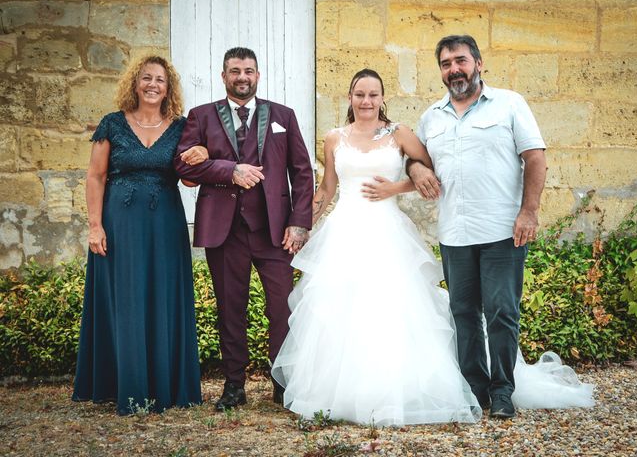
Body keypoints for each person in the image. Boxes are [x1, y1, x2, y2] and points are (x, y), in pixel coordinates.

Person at [271, 69, 482, 426]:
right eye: (359, 94)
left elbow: (432, 174)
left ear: (383, 98)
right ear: (350, 97)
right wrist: (303, 223)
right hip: (344, 233)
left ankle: (397, 392)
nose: (366, 101)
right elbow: (327, 188)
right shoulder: (334, 138)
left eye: (373, 95)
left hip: (387, 232)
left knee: (390, 309)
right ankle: (340, 395)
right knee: (341, 311)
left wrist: (395, 189)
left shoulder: (399, 133)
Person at [408, 34, 564, 418]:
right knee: (463, 312)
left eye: (460, 61)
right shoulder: (432, 116)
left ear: (478, 63)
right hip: (454, 233)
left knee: (501, 312)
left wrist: (529, 211)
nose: (453, 70)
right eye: (445, 64)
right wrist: (415, 168)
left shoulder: (510, 104)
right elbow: (415, 159)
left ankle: (503, 392)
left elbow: (535, 157)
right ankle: (474, 389)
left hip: (501, 231)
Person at [174, 47, 314, 411]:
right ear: (223, 77)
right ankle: (234, 384)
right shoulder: (201, 116)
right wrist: (227, 169)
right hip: (225, 231)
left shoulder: (283, 116)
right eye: (235, 71)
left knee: (282, 309)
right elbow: (183, 166)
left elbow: (302, 171)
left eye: (249, 71)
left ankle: (282, 382)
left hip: (275, 231)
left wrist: (299, 222)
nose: (242, 77)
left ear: (258, 75)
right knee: (229, 308)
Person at [72, 55, 203, 415]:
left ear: (168, 88)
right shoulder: (112, 124)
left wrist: (200, 154)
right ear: (135, 83)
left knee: (163, 297)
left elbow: (190, 179)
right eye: (146, 78)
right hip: (120, 225)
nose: (152, 85)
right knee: (126, 300)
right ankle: (126, 386)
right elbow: (96, 176)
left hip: (165, 226)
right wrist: (95, 225)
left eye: (160, 80)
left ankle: (165, 387)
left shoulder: (180, 127)